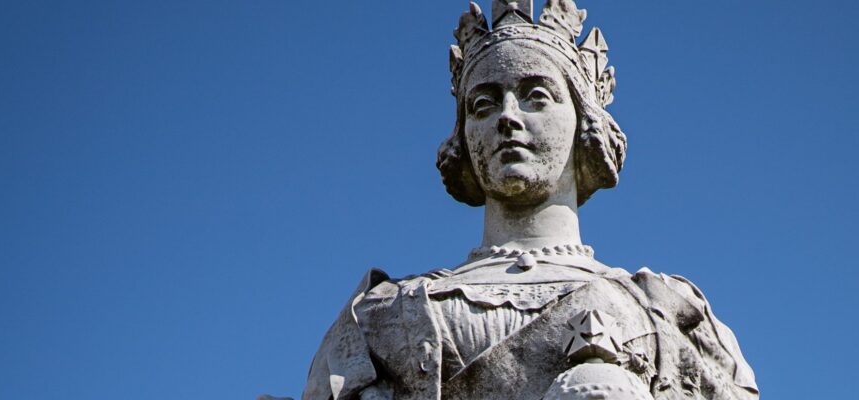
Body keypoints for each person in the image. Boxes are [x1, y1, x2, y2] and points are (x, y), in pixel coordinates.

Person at [300, 2, 758, 399]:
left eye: (536, 96)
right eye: (483, 104)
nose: (507, 118)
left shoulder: (667, 313)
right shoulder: (383, 316)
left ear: (584, 122)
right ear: (461, 134)